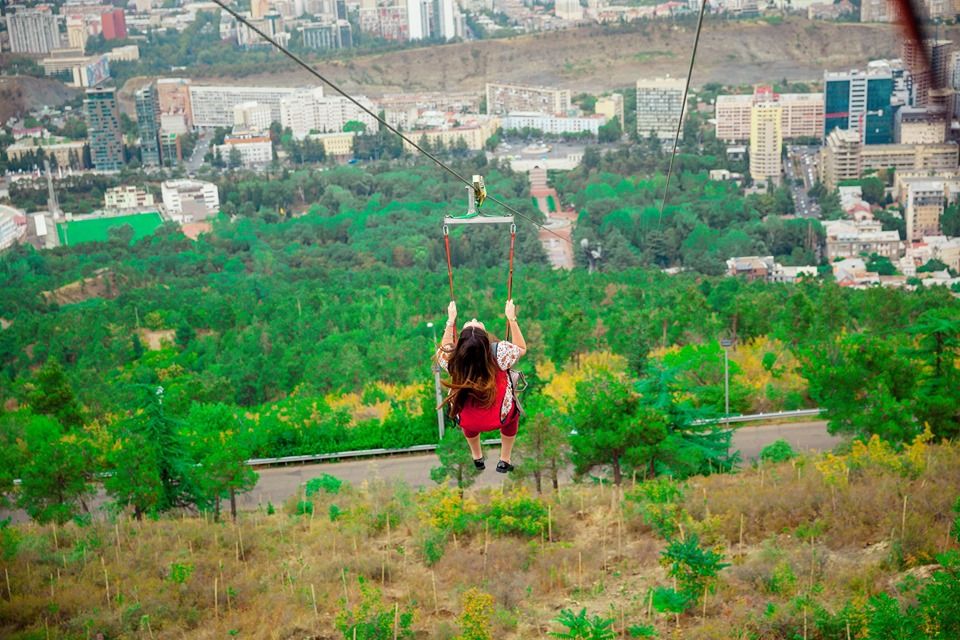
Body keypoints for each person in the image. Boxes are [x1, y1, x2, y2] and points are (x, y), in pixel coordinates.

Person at [435, 299, 527, 473]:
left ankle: (477, 456)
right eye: (475, 324)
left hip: (468, 421)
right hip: (500, 418)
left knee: (466, 410)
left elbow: (445, 346)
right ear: (485, 341)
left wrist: (450, 321)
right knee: (513, 414)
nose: (474, 319)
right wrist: (512, 319)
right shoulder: (499, 353)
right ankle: (504, 459)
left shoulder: (453, 359)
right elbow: (521, 347)